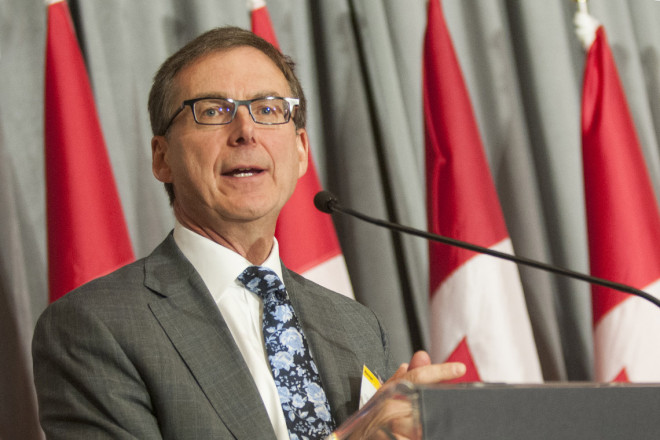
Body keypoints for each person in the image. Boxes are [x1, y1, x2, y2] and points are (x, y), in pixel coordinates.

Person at [32, 26, 465, 439]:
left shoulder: (356, 326)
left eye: (269, 109)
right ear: (162, 157)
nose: (246, 131)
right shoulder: (94, 327)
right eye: (213, 111)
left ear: (300, 151)